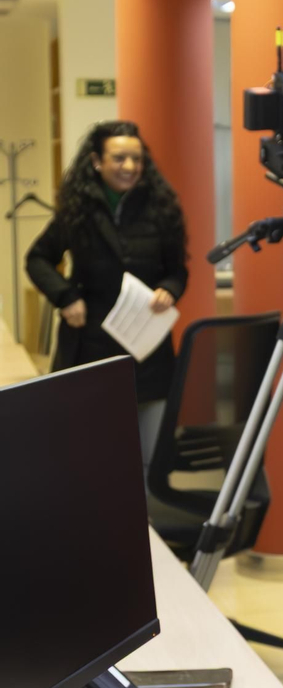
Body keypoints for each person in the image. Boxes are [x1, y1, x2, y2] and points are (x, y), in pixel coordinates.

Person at [25, 121, 187, 471]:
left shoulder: (161, 208)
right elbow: (37, 259)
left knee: (148, 460)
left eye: (136, 159)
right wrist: (65, 297)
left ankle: (144, 526)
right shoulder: (76, 211)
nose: (129, 167)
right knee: (91, 455)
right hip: (91, 347)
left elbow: (178, 269)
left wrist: (170, 290)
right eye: (119, 158)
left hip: (148, 349)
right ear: (97, 161)